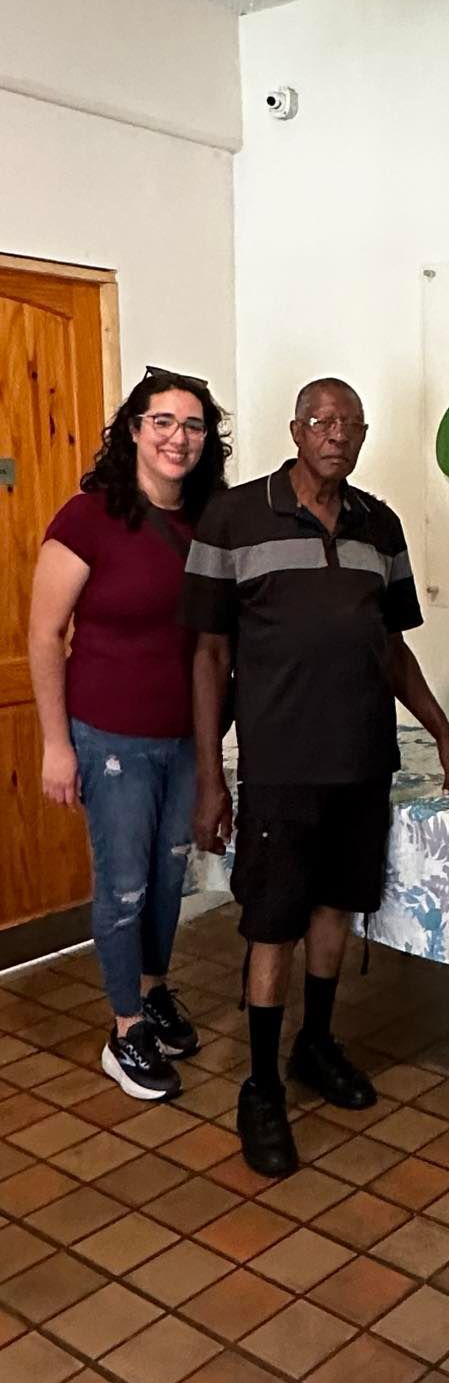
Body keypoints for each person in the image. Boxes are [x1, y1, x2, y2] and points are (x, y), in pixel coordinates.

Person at [186, 376, 449, 1179]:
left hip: (361, 762)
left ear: (363, 435)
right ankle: (261, 1085)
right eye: (320, 420)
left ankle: (315, 1043)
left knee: (335, 908)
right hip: (279, 768)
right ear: (296, 430)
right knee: (272, 924)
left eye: (350, 423)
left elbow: (391, 648)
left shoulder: (380, 524)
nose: (336, 433)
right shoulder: (234, 516)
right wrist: (210, 776)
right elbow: (208, 653)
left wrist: (443, 734)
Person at [28, 367, 231, 1102]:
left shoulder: (210, 521)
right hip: (108, 737)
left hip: (184, 739)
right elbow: (44, 635)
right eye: (163, 422)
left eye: (194, 425)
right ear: (135, 431)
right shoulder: (89, 518)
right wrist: (56, 744)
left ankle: (151, 990)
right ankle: (124, 1030)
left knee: (169, 879)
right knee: (123, 885)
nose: (179, 438)